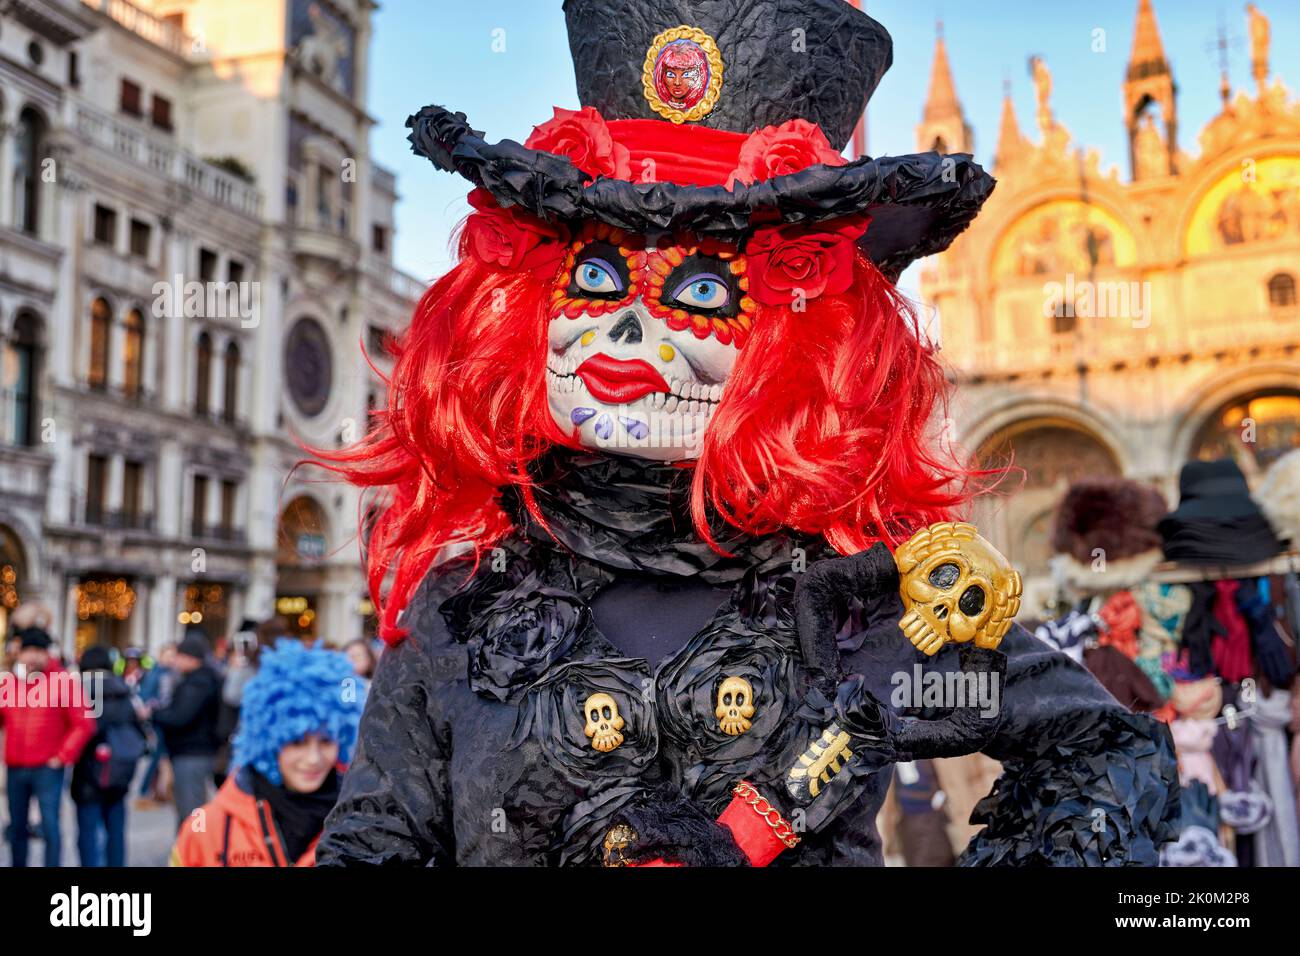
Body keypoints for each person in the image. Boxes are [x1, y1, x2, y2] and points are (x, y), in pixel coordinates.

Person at [314, 0, 1178, 867]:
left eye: (698, 291)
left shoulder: (866, 603)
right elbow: (372, 844)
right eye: (598, 274)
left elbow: (1106, 751)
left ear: (796, 337)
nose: (629, 331)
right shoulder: (465, 604)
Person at [170, 641, 362, 866]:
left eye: (327, 741)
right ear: (267, 741)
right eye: (297, 742)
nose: (314, 758)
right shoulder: (206, 829)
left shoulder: (363, 825)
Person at [0, 628, 95, 866]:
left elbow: (84, 724)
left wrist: (62, 756)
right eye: (27, 651)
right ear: (19, 654)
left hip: (47, 767)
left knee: (50, 826)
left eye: (37, 651)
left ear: (46, 653)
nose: (31, 657)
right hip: (16, 766)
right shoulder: (10, 682)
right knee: (17, 826)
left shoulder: (63, 681)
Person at [71, 646, 147, 867]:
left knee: (87, 831)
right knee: (115, 829)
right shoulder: (125, 690)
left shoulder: (81, 690)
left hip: (88, 769)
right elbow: (140, 729)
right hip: (120, 770)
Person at [149, 628, 221, 828]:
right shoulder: (198, 680)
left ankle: (193, 855)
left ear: (191, 658)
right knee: (189, 807)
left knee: (192, 811)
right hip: (190, 751)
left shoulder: (199, 683)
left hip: (193, 752)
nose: (175, 661)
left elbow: (181, 716)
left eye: (179, 656)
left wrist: (155, 714)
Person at [136, 642, 176, 803]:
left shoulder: (174, 673)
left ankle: (160, 789)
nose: (171, 659)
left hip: (169, 719)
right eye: (168, 655)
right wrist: (152, 707)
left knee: (164, 756)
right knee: (159, 754)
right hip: (158, 719)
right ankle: (145, 789)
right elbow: (146, 696)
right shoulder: (156, 673)